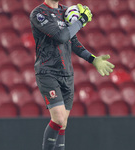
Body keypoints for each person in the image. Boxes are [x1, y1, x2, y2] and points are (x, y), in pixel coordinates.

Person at [30, 0, 115, 149]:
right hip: (48, 72)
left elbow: (72, 41)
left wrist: (93, 59)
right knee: (58, 118)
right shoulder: (39, 14)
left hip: (67, 74)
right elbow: (61, 37)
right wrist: (81, 21)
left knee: (63, 124)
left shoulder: (65, 11)